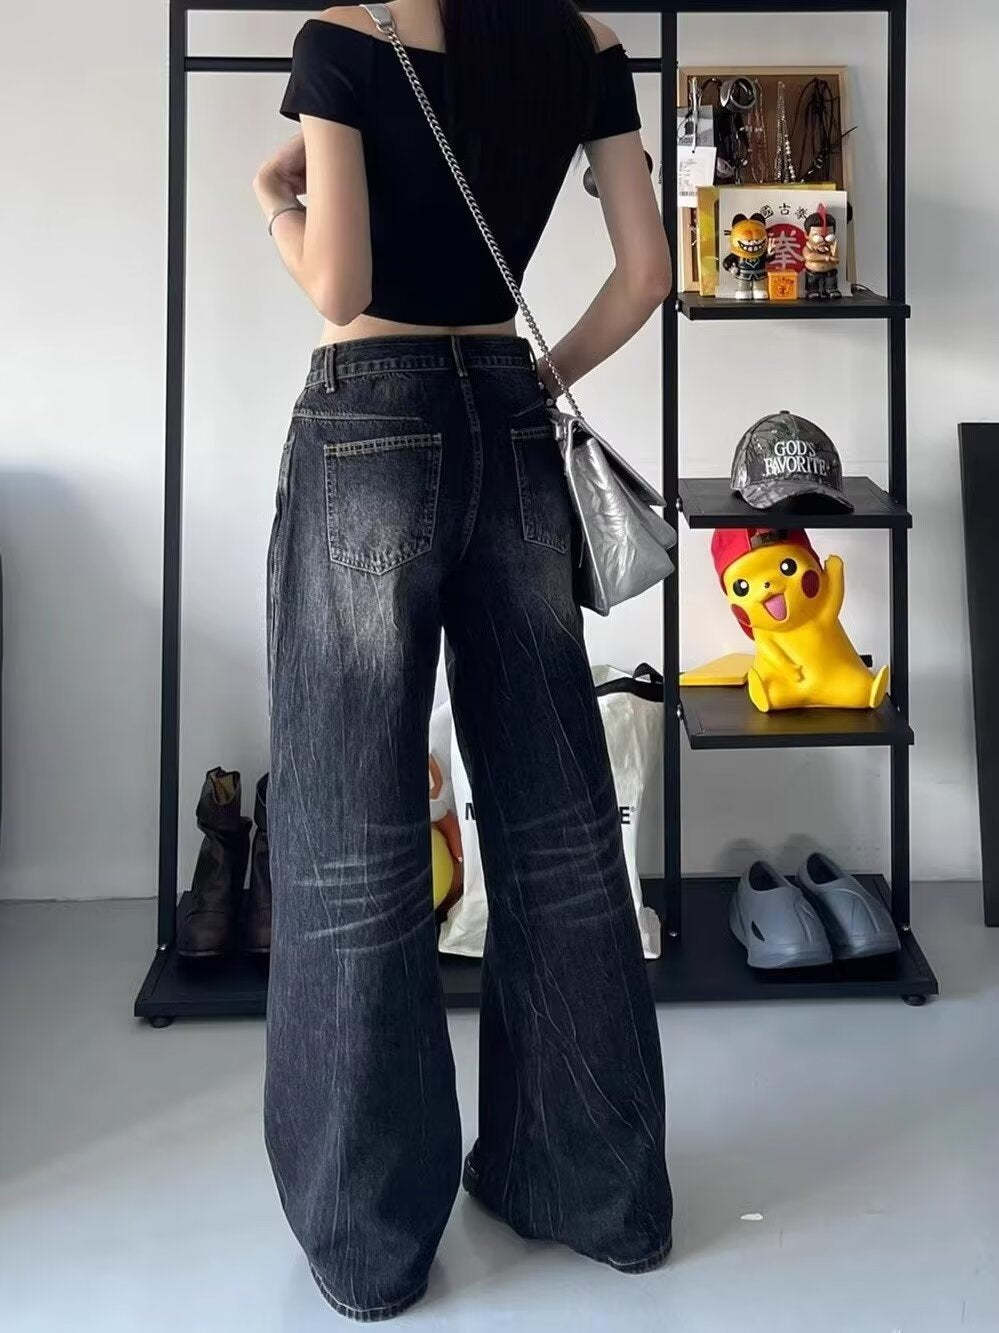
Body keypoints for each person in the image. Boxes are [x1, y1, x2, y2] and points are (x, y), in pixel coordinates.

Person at [251, 0, 674, 1319]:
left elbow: (341, 285)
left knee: (350, 831)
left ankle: (373, 1244)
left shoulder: (344, 36)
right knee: (558, 825)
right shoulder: (579, 42)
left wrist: (274, 203)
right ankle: (596, 1193)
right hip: (509, 418)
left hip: (366, 429)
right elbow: (644, 275)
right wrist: (543, 381)